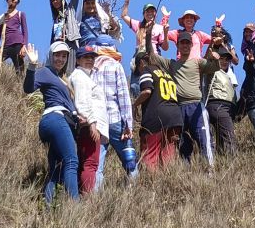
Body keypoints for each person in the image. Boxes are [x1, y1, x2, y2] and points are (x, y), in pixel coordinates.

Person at [147, 28, 219, 166]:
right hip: (178, 108)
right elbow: (152, 56)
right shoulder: (172, 64)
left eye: (187, 43)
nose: (185, 45)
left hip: (196, 107)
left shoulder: (198, 62)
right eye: (182, 43)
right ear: (177, 45)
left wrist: (215, 58)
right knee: (181, 142)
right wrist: (149, 35)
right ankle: (186, 170)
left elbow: (214, 68)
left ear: (192, 45)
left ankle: (209, 169)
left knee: (204, 140)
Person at [23, 42, 79, 204]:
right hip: (55, 118)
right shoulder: (45, 72)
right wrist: (32, 65)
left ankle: (47, 208)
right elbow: (28, 88)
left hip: (58, 122)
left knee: (57, 168)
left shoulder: (62, 78)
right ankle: (75, 207)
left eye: (64, 56)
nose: (60, 59)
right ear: (50, 56)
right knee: (71, 161)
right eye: (57, 55)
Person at [92, 38, 138, 187]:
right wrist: (128, 125)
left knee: (97, 164)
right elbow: (123, 97)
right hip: (115, 119)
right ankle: (134, 189)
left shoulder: (92, 67)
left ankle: (95, 195)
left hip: (97, 122)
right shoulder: (116, 66)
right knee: (129, 158)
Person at [132, 51, 182, 170]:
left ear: (141, 63)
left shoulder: (147, 70)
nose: (139, 72)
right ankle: (168, 179)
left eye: (138, 68)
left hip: (156, 117)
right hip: (175, 117)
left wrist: (134, 104)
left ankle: (150, 180)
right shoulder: (166, 74)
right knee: (168, 156)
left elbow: (147, 91)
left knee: (150, 155)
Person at [69, 46, 109, 194]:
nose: (90, 60)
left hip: (89, 124)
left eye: (92, 57)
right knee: (90, 163)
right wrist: (92, 123)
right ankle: (88, 197)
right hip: (89, 125)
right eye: (86, 57)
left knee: (86, 162)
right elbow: (82, 102)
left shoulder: (85, 77)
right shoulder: (80, 77)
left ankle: (81, 194)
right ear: (78, 60)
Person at [203, 47, 237, 156]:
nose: (225, 61)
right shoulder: (212, 69)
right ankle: (232, 160)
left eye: (227, 59)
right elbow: (206, 61)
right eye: (221, 58)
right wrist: (211, 56)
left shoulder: (227, 75)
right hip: (217, 104)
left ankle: (221, 160)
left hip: (226, 107)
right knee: (228, 136)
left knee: (222, 138)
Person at [48, 0, 81, 73]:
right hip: (58, 46)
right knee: (57, 73)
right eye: (53, 0)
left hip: (70, 44)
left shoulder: (70, 9)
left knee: (69, 72)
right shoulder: (56, 19)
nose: (55, 1)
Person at [0, 0, 28, 76]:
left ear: (18, 2)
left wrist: (24, 46)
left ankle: (21, 84)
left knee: (20, 71)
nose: (13, 1)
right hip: (5, 46)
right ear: (7, 0)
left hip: (17, 44)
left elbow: (25, 31)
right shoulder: (2, 17)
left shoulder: (20, 14)